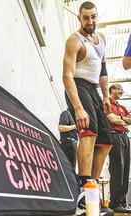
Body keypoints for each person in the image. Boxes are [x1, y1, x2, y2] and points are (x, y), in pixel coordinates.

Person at [62, 1, 114, 215]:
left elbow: (102, 71)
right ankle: (84, 193)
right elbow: (66, 75)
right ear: (79, 18)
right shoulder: (74, 41)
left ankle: (91, 192)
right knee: (89, 134)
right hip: (78, 86)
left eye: (93, 16)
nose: (90, 21)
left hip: (94, 89)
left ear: (96, 16)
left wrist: (105, 96)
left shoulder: (101, 39)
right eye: (85, 17)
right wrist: (78, 107)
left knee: (106, 142)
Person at [106, 84, 131, 213]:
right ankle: (115, 203)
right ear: (112, 90)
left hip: (125, 136)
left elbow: (129, 120)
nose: (121, 92)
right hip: (114, 136)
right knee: (118, 169)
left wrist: (120, 118)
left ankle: (122, 202)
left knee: (126, 169)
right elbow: (112, 120)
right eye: (118, 89)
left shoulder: (121, 107)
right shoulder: (106, 103)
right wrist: (122, 120)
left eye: (122, 90)